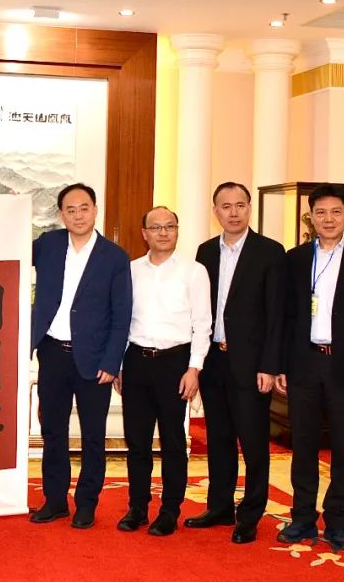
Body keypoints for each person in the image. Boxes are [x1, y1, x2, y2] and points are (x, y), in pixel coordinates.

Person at [276, 183, 344, 551]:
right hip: (304, 363)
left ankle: (338, 521)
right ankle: (302, 518)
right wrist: (281, 364)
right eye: (320, 212)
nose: (328, 219)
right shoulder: (294, 259)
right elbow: (286, 317)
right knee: (304, 445)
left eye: (336, 212)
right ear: (310, 217)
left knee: (343, 447)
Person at [30, 183, 132, 530]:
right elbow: (7, 249)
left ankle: (86, 503)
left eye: (84, 208)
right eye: (70, 210)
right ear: (61, 214)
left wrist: (112, 361)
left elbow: (121, 314)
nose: (78, 215)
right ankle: (55, 500)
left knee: (92, 436)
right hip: (52, 353)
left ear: (95, 210)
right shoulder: (48, 244)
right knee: (52, 431)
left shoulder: (114, 256)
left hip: (95, 360)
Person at [187, 182, 284, 544]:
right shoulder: (205, 251)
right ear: (216, 212)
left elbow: (277, 315)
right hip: (215, 359)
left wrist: (270, 366)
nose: (233, 212)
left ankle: (251, 514)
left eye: (240, 205)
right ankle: (219, 506)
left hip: (252, 364)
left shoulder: (269, 252)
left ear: (249, 209)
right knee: (219, 438)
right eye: (225, 206)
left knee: (254, 442)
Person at [115, 206, 211, 536]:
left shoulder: (194, 272)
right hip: (136, 360)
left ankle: (170, 510)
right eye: (156, 227)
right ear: (144, 233)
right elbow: (121, 321)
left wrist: (194, 368)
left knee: (173, 441)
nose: (163, 232)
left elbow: (203, 324)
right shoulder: (130, 271)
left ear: (177, 230)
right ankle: (137, 507)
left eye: (170, 226)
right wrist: (118, 364)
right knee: (137, 440)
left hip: (175, 362)